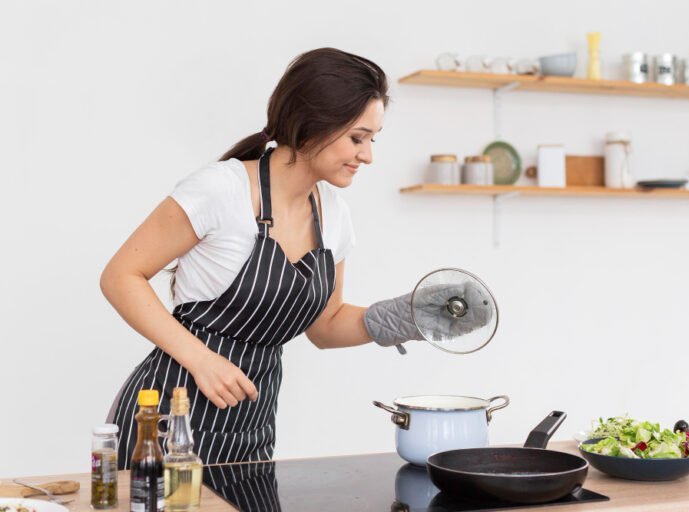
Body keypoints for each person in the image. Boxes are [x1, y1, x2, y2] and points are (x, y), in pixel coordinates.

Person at [101, 47, 488, 468]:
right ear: (312, 124)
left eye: (372, 140)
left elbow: (326, 325)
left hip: (251, 429)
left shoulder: (334, 214)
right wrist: (201, 359)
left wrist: (409, 316)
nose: (368, 155)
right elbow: (121, 275)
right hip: (166, 424)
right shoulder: (222, 189)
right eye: (357, 138)